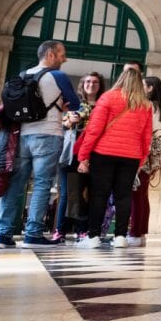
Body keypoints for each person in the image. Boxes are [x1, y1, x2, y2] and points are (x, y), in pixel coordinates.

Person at [0, 40, 81, 249]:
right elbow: (76, 104)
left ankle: (3, 235)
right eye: (62, 55)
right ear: (50, 55)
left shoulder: (24, 75)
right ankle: (33, 233)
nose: (65, 59)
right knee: (42, 184)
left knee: (15, 185)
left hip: (22, 136)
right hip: (49, 135)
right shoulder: (58, 76)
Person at [75, 67, 153, 249]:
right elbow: (146, 137)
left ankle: (93, 237)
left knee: (99, 195)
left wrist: (83, 155)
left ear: (121, 79)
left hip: (103, 154)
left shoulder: (108, 98)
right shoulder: (145, 105)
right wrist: (141, 160)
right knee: (124, 196)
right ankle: (120, 237)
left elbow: (94, 130)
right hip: (131, 156)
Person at [54, 72, 105, 241]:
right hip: (72, 151)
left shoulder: (104, 105)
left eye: (95, 82)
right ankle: (60, 230)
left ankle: (83, 230)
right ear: (82, 84)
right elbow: (59, 123)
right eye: (88, 81)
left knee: (88, 193)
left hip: (95, 152)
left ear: (100, 85)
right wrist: (69, 123)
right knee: (68, 192)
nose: (91, 85)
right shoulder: (73, 103)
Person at [128, 75, 161, 246]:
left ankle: (135, 232)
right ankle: (140, 232)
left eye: (142, 85)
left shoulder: (148, 106)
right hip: (153, 157)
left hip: (143, 155)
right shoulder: (159, 108)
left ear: (150, 88)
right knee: (142, 195)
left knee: (137, 195)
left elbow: (144, 134)